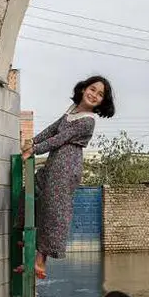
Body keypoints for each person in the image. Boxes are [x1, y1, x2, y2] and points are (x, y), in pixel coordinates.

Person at [28, 75, 115, 279]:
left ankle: (40, 261)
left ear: (103, 101)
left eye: (100, 94)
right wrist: (31, 141)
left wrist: (34, 150)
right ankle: (26, 241)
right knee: (35, 191)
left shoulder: (88, 121)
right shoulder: (73, 111)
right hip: (55, 162)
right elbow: (52, 129)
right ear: (84, 88)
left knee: (54, 209)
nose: (94, 95)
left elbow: (60, 139)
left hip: (67, 164)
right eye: (92, 89)